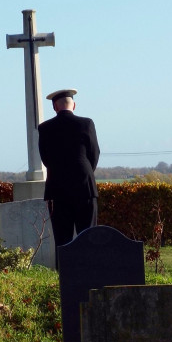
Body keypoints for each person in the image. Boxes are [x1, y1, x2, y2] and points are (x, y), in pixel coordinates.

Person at [37, 89, 100, 252]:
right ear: (74, 105)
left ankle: (65, 275)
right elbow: (94, 153)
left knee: (62, 241)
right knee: (88, 237)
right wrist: (85, 172)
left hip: (57, 189)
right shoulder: (86, 124)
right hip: (84, 188)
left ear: (54, 107)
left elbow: (45, 158)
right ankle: (89, 273)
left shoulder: (44, 128)